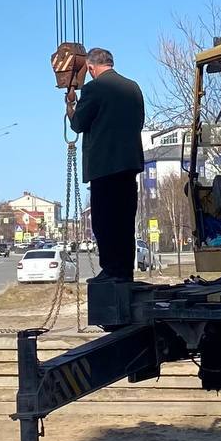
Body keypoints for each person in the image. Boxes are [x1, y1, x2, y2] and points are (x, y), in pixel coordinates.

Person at [66, 47, 145, 282]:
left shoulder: (94, 88)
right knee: (124, 221)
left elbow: (79, 124)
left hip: (104, 167)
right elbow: (139, 122)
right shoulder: (133, 87)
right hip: (129, 165)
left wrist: (71, 106)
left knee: (104, 221)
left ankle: (111, 271)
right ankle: (124, 273)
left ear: (91, 68)